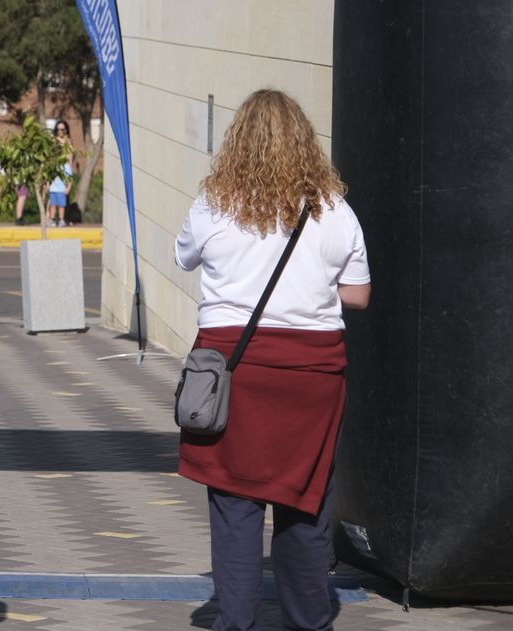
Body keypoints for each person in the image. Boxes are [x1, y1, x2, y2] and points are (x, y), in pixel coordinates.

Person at [173, 89, 371, 631]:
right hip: (312, 379)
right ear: (306, 142)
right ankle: (308, 622)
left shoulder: (213, 206)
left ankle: (236, 623)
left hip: (233, 374)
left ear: (236, 142)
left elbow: (183, 255)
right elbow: (358, 296)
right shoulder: (335, 211)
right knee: (304, 504)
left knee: (235, 507)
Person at [46, 120, 75, 227]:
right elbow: (50, 156)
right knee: (52, 199)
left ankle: (64, 219)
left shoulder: (69, 141)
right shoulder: (54, 141)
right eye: (58, 129)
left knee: (64, 198)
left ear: (66, 130)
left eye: (62, 129)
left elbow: (70, 157)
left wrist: (70, 170)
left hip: (65, 170)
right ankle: (49, 218)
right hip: (55, 170)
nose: (60, 131)